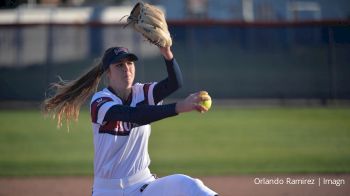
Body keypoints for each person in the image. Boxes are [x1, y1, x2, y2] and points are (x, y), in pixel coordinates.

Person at [43, 45, 218, 196]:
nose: (126, 68)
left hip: (143, 185)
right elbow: (134, 115)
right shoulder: (100, 101)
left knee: (188, 185)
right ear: (108, 73)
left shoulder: (142, 92)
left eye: (129, 63)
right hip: (107, 191)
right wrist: (179, 107)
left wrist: (167, 53)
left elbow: (174, 83)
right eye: (119, 65)